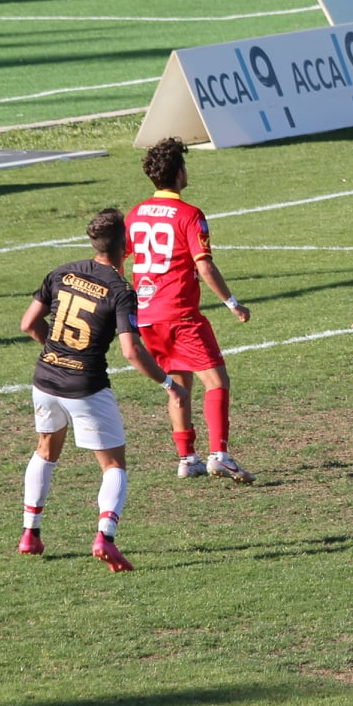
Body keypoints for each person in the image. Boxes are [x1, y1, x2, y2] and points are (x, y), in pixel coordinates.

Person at [18, 208, 188, 571]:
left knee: (46, 452)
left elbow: (29, 323)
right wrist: (169, 384)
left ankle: (30, 533)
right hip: (86, 386)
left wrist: (57, 350)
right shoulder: (120, 290)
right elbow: (131, 350)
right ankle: (104, 538)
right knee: (113, 466)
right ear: (125, 247)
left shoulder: (62, 271)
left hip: (45, 379)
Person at [124, 137, 256, 483]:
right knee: (217, 381)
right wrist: (232, 303)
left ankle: (187, 458)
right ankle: (220, 455)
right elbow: (205, 266)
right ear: (179, 173)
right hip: (181, 315)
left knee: (177, 385)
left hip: (149, 317)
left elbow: (121, 259)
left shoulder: (135, 214)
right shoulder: (189, 214)